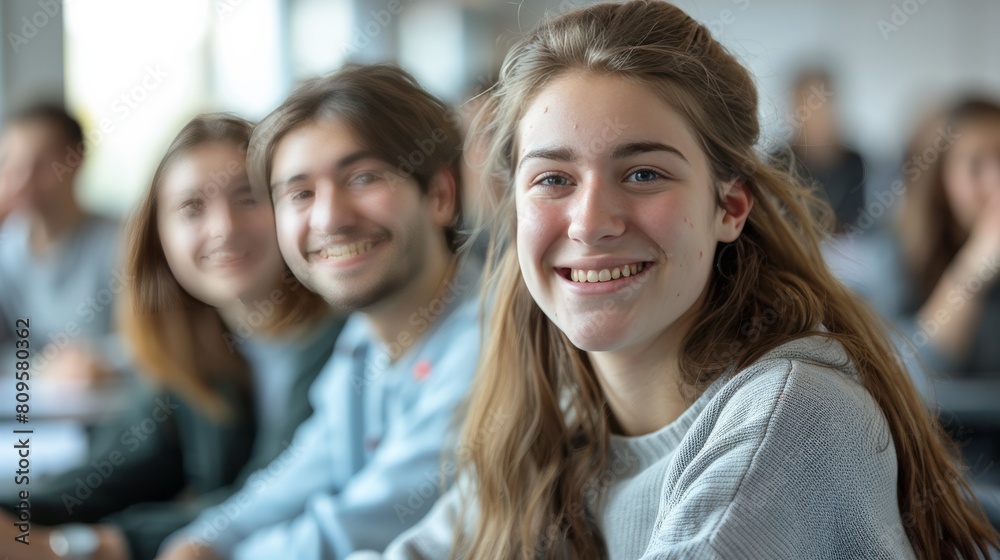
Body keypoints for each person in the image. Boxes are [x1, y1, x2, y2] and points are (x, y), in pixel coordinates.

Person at [366, 2, 1000, 559]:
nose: (589, 223)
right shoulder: (558, 411)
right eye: (553, 179)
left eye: (643, 174)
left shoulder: (789, 417)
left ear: (730, 207)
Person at [157, 64, 481, 560]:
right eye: (300, 194)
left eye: (363, 177)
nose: (329, 217)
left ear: (439, 195)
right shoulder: (362, 341)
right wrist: (203, 539)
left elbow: (369, 520)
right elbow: (296, 475)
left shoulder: (489, 338)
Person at [0, 113, 342, 560]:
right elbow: (112, 473)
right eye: (191, 208)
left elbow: (267, 502)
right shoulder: (194, 348)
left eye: (249, 197)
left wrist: (84, 546)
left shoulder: (346, 341)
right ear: (159, 236)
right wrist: (17, 513)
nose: (223, 228)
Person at [0, 104, 123, 385]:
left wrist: (102, 362)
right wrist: (39, 368)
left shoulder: (120, 243)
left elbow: (153, 343)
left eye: (39, 165)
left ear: (76, 159)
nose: (23, 181)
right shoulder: (8, 250)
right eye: (10, 164)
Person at [777, 68, 867, 233]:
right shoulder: (779, 161)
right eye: (805, 105)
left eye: (819, 105)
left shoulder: (853, 162)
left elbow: (858, 219)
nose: (813, 115)